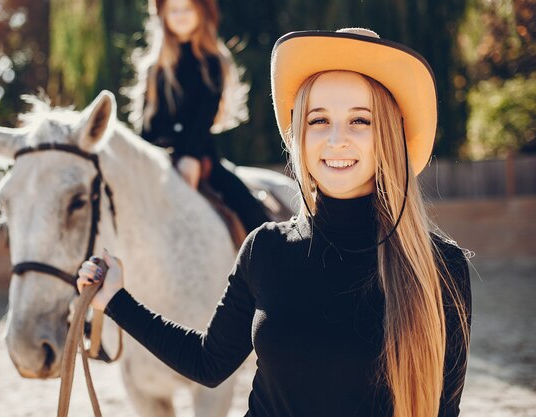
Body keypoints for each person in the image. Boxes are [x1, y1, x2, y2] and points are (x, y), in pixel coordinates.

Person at [80, 28, 472, 417]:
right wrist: (116, 299)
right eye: (319, 120)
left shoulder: (441, 268)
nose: (336, 139)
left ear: (387, 135)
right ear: (299, 134)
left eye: (360, 121)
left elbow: (444, 410)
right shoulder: (265, 248)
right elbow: (208, 363)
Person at [127, 0, 269, 232]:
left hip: (199, 155)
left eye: (187, 9)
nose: (180, 15)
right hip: (157, 159)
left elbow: (203, 119)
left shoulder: (211, 63)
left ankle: (269, 255)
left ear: (201, 13)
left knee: (251, 212)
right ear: (163, 15)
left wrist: (190, 156)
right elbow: (147, 126)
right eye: (174, 10)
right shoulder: (154, 68)